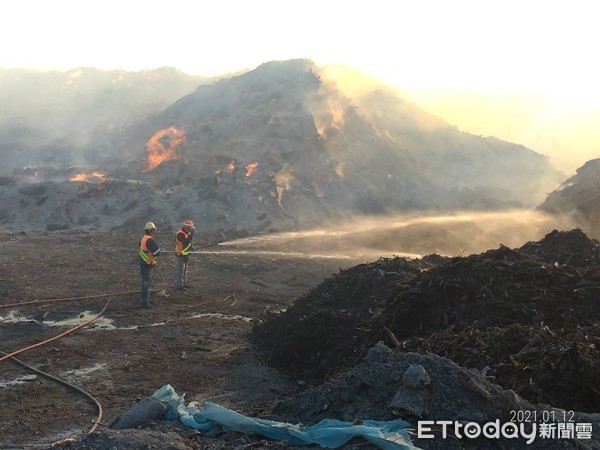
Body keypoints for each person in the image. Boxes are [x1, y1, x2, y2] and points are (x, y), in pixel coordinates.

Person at [139, 221, 161, 308]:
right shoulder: (149, 240)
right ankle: (144, 302)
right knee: (145, 283)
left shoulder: (144, 238)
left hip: (144, 264)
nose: (155, 232)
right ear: (151, 230)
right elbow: (157, 252)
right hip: (146, 264)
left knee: (146, 282)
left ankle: (146, 299)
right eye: (154, 230)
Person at [175, 219, 196, 291]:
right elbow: (185, 243)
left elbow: (188, 244)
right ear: (186, 228)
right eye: (190, 229)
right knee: (180, 271)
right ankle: (179, 286)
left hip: (185, 254)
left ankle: (183, 284)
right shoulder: (180, 234)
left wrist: (191, 248)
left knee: (184, 270)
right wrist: (191, 236)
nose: (190, 231)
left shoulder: (186, 233)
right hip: (180, 254)